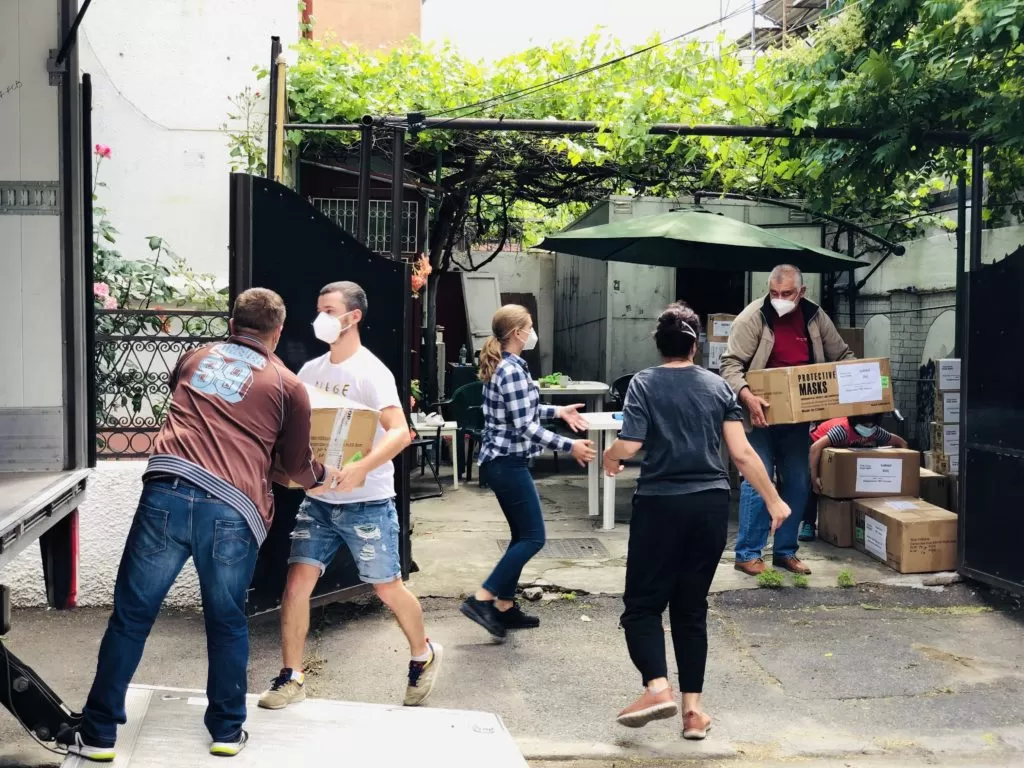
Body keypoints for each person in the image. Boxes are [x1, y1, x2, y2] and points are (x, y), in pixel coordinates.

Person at [59, 288, 343, 762]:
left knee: (131, 618)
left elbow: (199, 412)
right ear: (277, 332)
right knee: (227, 622)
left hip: (166, 494)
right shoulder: (287, 384)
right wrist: (323, 475)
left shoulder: (194, 358)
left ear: (232, 324)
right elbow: (296, 464)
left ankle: (99, 734)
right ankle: (226, 732)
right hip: (232, 509)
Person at [603, 302, 791, 738]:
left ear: (659, 344)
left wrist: (610, 458)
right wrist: (774, 500)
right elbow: (742, 454)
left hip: (660, 505)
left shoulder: (643, 383)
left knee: (643, 607)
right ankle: (693, 714)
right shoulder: (718, 387)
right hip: (709, 506)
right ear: (695, 346)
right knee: (690, 608)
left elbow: (630, 443)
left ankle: (657, 688)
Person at [258, 281, 442, 711]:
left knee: (387, 587)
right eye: (318, 309)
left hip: (368, 503)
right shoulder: (310, 371)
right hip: (319, 501)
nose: (320, 318)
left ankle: (423, 653)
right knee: (296, 584)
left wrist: (362, 467)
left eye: (329, 310)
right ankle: (291, 676)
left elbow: (400, 432)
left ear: (353, 316)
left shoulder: (371, 372)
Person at [459, 304, 597, 640]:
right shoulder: (510, 370)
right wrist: (570, 446)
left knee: (522, 536)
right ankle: (482, 598)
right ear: (518, 333)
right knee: (534, 538)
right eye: (530, 327)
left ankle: (505, 606)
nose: (533, 333)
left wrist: (558, 411)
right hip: (507, 462)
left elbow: (523, 408)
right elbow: (525, 426)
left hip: (504, 462)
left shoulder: (509, 366)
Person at [719, 264, 854, 577]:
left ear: (801, 292)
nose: (779, 298)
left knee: (797, 481)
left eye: (787, 293)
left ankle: (785, 552)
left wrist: (859, 382)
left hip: (797, 418)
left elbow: (843, 355)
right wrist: (747, 397)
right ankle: (748, 554)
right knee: (758, 478)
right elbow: (730, 366)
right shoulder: (753, 317)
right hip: (757, 417)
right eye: (774, 292)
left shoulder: (814, 317)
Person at [800, 413, 908, 540]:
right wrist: (814, 478)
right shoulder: (842, 430)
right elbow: (815, 448)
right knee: (812, 485)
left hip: (838, 449)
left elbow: (901, 443)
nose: (868, 428)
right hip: (816, 445)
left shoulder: (874, 431)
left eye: (871, 425)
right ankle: (808, 523)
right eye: (865, 424)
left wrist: (907, 468)